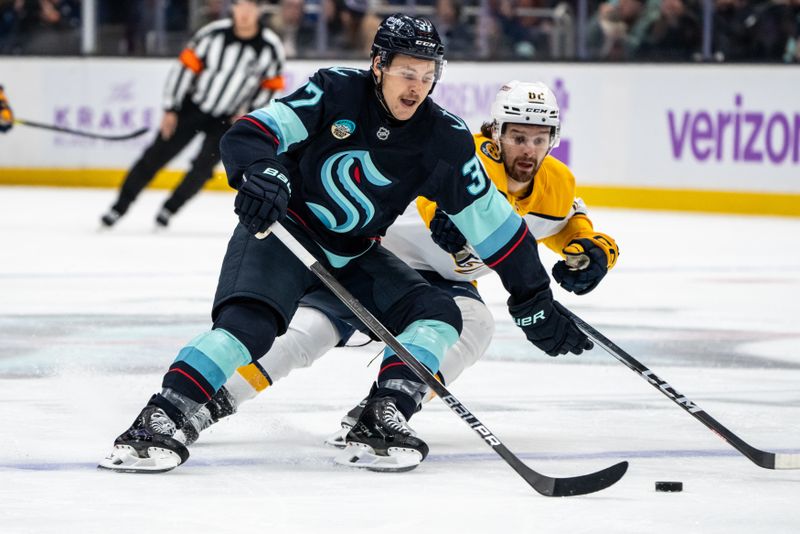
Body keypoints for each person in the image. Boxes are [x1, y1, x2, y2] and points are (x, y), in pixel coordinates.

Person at [99, 14, 593, 474]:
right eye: (406, 72)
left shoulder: (442, 137)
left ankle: (382, 415)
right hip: (284, 233)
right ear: (378, 65)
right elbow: (250, 134)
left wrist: (534, 298)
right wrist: (263, 172)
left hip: (354, 253)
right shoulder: (334, 91)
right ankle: (159, 418)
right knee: (249, 329)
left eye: (427, 74)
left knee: (439, 315)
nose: (417, 86)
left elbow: (497, 228)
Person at [177, 80, 620, 464]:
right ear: (495, 132)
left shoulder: (557, 181)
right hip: (386, 262)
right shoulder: (467, 156)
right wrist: (438, 213)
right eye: (519, 137)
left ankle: (387, 405)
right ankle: (217, 397)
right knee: (311, 331)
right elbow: (446, 194)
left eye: (540, 138)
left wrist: (593, 249)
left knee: (474, 326)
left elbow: (562, 224)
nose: (529, 149)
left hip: (447, 281)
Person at [99, 0, 285, 229]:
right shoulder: (212, 35)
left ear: (259, 10)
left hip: (229, 120)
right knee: (154, 157)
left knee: (202, 169)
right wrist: (171, 108)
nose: (245, 13)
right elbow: (183, 70)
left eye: (250, 7)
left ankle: (170, 208)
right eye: (240, 6)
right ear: (233, 9)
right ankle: (119, 207)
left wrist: (249, 114)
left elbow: (272, 85)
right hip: (193, 108)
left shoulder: (271, 47)